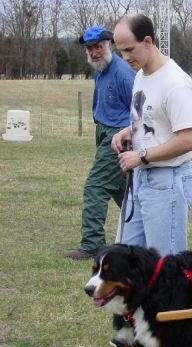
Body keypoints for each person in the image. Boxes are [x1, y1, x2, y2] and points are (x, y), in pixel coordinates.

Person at [109, 14, 192, 347]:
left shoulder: (175, 82)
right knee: (125, 259)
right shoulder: (140, 77)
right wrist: (127, 133)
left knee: (168, 268)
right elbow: (147, 124)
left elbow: (189, 139)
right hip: (141, 182)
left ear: (148, 41)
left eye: (129, 49)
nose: (125, 57)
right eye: (120, 51)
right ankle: (137, 330)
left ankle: (172, 340)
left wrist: (143, 157)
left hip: (167, 183)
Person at [65, 26, 135, 260]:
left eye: (98, 47)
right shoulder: (100, 70)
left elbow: (138, 110)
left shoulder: (123, 72)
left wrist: (126, 137)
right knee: (122, 191)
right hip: (104, 132)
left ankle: (92, 243)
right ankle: (143, 231)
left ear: (109, 45)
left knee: (95, 186)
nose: (94, 52)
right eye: (90, 48)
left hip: (119, 136)